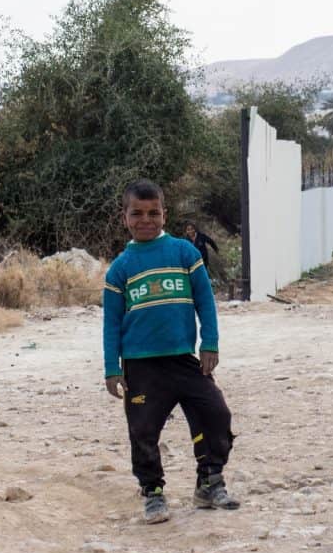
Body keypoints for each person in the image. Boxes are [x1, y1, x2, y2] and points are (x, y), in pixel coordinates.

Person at [102, 179, 239, 524]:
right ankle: (153, 493)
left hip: (184, 360)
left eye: (153, 212)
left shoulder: (184, 253)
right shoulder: (120, 268)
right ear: (125, 217)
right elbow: (111, 323)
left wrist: (210, 343)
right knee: (143, 431)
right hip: (140, 367)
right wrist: (111, 367)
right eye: (137, 213)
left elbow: (205, 302)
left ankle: (209, 481)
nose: (145, 219)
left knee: (216, 415)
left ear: (165, 214)